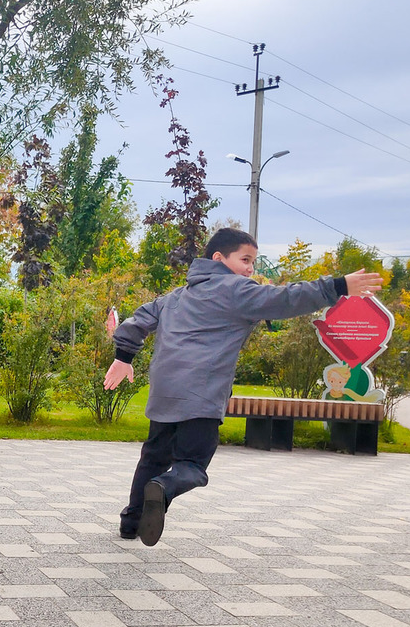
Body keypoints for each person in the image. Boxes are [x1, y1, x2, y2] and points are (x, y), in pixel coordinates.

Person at [103, 228, 383, 547]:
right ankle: (164, 487)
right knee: (192, 467)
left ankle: (131, 521)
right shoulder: (237, 290)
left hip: (165, 390)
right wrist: (337, 286)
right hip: (202, 394)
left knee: (153, 456)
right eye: (245, 259)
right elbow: (284, 298)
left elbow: (139, 320)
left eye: (253, 261)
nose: (250, 269)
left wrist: (123, 357)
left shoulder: (177, 296)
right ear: (219, 258)